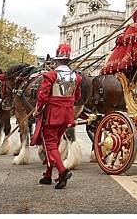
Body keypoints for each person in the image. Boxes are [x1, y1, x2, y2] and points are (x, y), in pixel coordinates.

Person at [30, 44, 82, 189]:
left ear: (57, 60)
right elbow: (77, 97)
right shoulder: (76, 77)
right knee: (55, 143)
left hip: (53, 114)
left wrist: (37, 110)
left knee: (50, 143)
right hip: (67, 115)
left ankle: (62, 171)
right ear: (68, 60)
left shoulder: (51, 75)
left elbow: (43, 96)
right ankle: (47, 175)